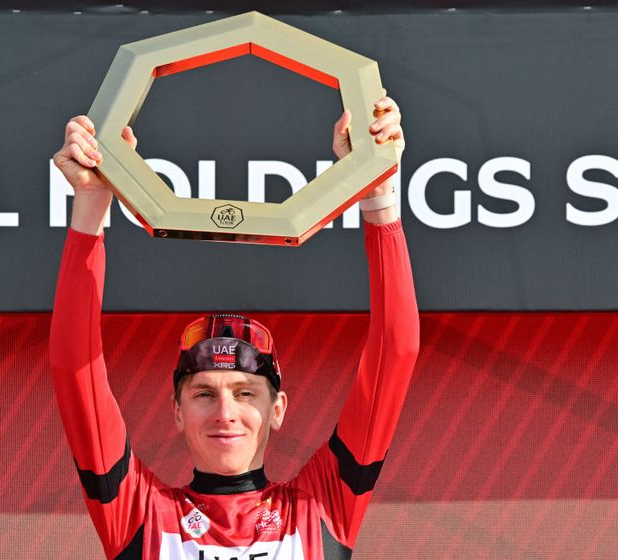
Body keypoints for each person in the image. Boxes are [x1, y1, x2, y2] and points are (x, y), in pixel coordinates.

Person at [49, 96, 419, 559]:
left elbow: (396, 353)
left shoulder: (320, 506)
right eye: (204, 393)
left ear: (278, 408)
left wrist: (379, 195)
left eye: (246, 393)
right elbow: (74, 371)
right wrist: (91, 201)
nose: (225, 413)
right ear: (178, 411)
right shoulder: (142, 513)